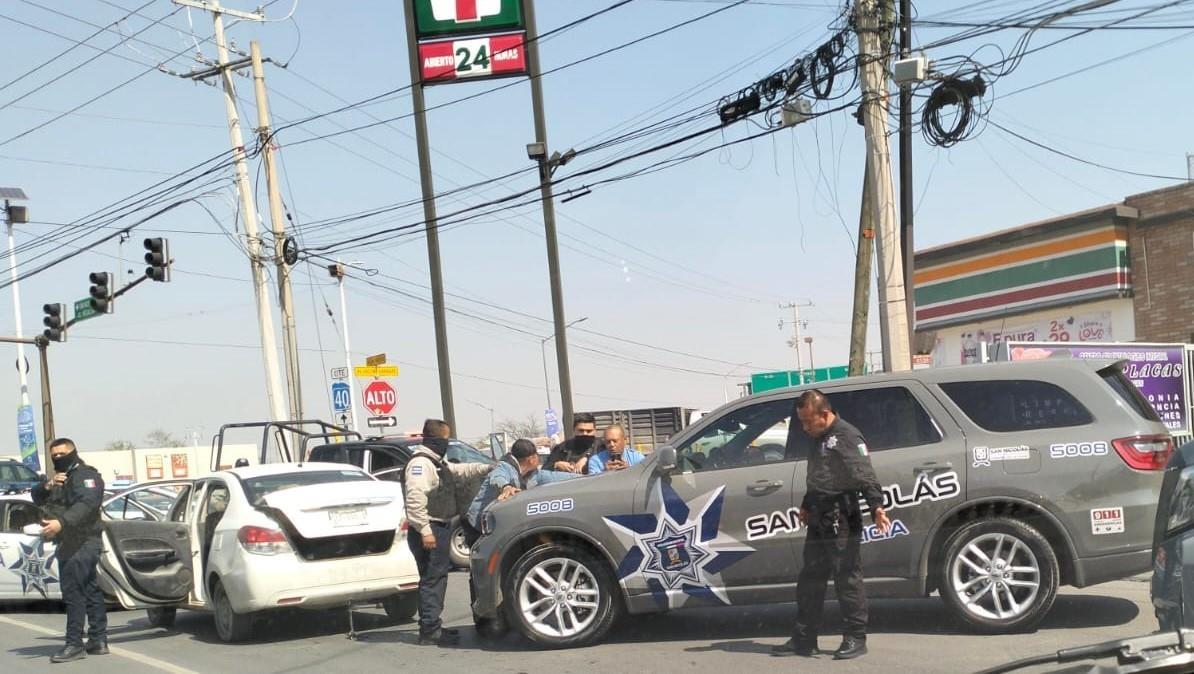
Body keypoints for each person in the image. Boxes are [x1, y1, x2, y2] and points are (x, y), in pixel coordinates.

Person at [773, 390, 891, 661]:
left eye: (807, 421)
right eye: (801, 422)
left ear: (824, 415)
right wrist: (806, 503)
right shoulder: (818, 437)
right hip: (819, 515)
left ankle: (855, 638)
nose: (804, 428)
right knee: (810, 580)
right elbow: (818, 476)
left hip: (843, 516)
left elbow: (864, 475)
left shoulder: (847, 436)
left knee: (846, 578)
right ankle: (804, 639)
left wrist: (876, 507)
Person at [403, 419, 494, 647]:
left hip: (438, 526)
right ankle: (429, 630)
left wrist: (486, 467)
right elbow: (415, 499)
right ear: (436, 439)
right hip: (430, 528)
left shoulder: (436, 462)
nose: (446, 444)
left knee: (437, 577)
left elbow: (458, 471)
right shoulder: (421, 465)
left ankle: (433, 625)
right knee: (432, 578)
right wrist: (425, 531)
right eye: (445, 439)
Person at [31, 438, 108, 663]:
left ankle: (74, 644)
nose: (58, 458)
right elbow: (37, 496)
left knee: (73, 592)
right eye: (54, 455)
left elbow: (87, 505)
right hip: (68, 542)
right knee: (90, 589)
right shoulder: (62, 478)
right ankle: (98, 639)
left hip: (82, 542)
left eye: (62, 453)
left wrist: (60, 523)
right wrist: (48, 485)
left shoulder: (86, 476)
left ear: (73, 452)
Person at [463, 438, 579, 542]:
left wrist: (586, 478)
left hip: (499, 526)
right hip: (478, 526)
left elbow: (554, 477)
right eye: (537, 455)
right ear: (531, 459)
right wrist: (506, 487)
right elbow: (497, 477)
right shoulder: (504, 466)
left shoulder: (534, 474)